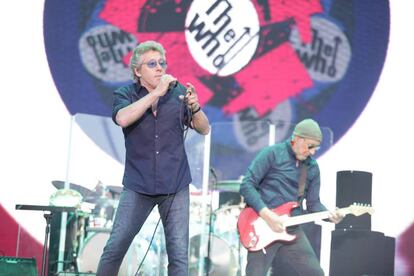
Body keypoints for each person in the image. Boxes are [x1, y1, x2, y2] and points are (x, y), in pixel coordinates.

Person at [97, 40, 210, 276]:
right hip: (138, 185)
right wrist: (156, 93)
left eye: (162, 63)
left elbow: (203, 129)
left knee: (179, 256)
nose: (160, 68)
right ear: (138, 71)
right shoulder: (125, 94)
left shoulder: (178, 93)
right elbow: (122, 119)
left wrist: (196, 108)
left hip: (175, 186)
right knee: (115, 248)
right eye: (152, 64)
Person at [239, 118, 343, 276]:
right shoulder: (272, 154)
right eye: (310, 146)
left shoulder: (312, 168)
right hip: (263, 226)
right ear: (297, 139)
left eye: (316, 148)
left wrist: (331, 216)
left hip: (292, 229)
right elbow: (247, 185)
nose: (313, 152)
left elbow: (314, 204)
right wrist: (268, 215)